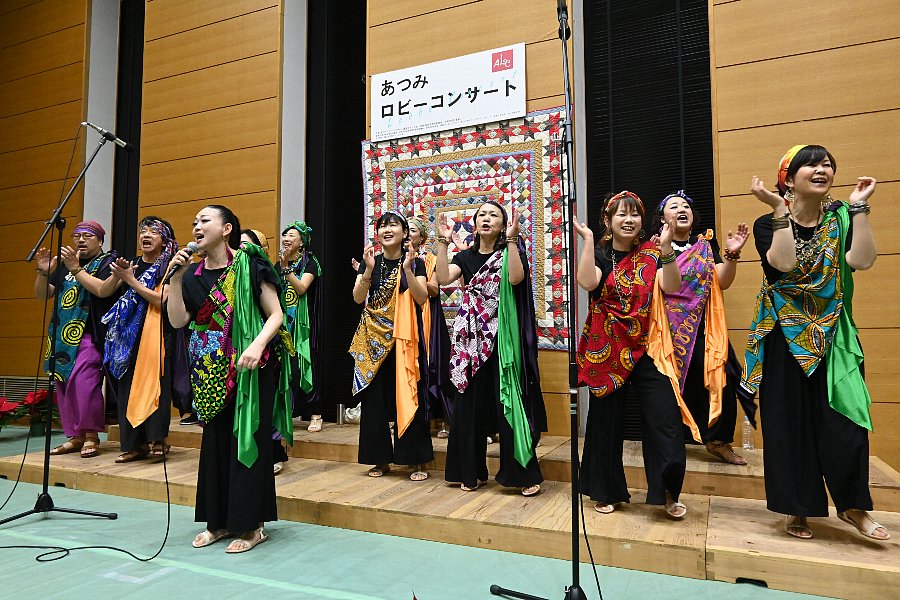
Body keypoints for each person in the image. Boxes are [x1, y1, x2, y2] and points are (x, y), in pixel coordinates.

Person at [740, 145, 889, 541]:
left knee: (846, 423)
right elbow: (783, 264)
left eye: (827, 164)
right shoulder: (766, 222)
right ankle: (798, 507)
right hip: (783, 334)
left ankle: (854, 507)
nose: (822, 169)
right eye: (811, 164)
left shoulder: (841, 217)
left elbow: (862, 261)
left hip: (834, 333)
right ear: (788, 179)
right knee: (788, 425)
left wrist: (859, 208)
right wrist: (779, 210)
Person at [168, 205, 293, 553]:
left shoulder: (250, 265)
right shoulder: (191, 276)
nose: (197, 226)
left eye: (205, 220)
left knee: (247, 440)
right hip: (210, 372)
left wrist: (256, 344)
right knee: (216, 445)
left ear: (226, 229)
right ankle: (218, 522)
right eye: (194, 222)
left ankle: (252, 526)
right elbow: (178, 321)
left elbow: (276, 314)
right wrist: (175, 278)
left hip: (250, 367)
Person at [575, 191, 690, 518]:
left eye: (635, 214)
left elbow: (672, 286)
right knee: (606, 423)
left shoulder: (653, 252)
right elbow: (587, 282)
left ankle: (667, 492)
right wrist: (587, 241)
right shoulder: (600, 253)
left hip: (649, 345)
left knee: (665, 419)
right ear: (608, 220)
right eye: (621, 214)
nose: (629, 220)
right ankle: (606, 490)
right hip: (608, 347)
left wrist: (666, 249)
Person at [436, 200, 546, 496]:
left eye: (493, 215)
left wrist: (512, 240)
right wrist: (442, 243)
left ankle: (520, 474)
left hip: (501, 340)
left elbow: (515, 278)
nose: (486, 218)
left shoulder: (510, 251)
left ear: (503, 224)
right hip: (470, 340)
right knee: (468, 406)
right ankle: (471, 472)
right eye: (482, 214)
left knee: (507, 402)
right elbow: (443, 278)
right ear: (475, 223)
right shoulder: (465, 257)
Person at [651, 191, 752, 465]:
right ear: (662, 218)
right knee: (670, 386)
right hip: (668, 330)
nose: (682, 209)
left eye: (686, 206)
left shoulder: (705, 245)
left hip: (706, 326)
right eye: (674, 206)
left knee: (725, 377)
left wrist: (732, 255)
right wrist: (665, 247)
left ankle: (718, 441)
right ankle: (671, 443)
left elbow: (722, 281)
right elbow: (664, 285)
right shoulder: (653, 248)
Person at [349, 211, 433, 481]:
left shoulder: (415, 262)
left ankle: (415, 458)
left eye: (393, 225)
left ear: (404, 232)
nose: (387, 230)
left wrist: (407, 269)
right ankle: (379, 458)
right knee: (374, 401)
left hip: (404, 339)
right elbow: (358, 298)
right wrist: (367, 270)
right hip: (372, 340)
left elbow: (421, 298)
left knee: (407, 393)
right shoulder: (370, 262)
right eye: (382, 226)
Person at [34, 220, 118, 458]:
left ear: (100, 241)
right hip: (62, 336)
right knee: (64, 385)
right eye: (76, 235)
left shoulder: (106, 262)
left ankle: (91, 434)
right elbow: (42, 294)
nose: (81, 240)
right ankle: (75, 436)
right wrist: (43, 272)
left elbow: (101, 289)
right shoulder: (65, 264)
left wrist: (75, 269)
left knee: (85, 384)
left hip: (90, 333)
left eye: (87, 236)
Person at [101, 217, 179, 463]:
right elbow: (105, 291)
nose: (145, 235)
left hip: (157, 333)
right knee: (127, 388)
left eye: (153, 232)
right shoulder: (131, 265)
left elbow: (160, 300)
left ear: (164, 240)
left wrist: (130, 280)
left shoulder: (170, 267)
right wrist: (120, 275)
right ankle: (133, 444)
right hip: (128, 336)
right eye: (143, 231)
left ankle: (158, 439)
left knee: (155, 385)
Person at [407, 215, 453, 439]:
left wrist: (415, 276)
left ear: (422, 238)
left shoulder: (429, 259)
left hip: (428, 315)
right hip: (405, 316)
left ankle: (444, 418)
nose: (408, 234)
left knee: (435, 365)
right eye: (405, 229)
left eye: (413, 230)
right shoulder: (395, 258)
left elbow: (434, 289)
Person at [276, 221, 324, 433]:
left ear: (302, 242)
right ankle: (286, 412)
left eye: (292, 235)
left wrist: (286, 268)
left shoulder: (310, 263)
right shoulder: (278, 265)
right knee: (285, 370)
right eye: (285, 235)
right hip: (283, 324)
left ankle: (315, 414)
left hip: (304, 326)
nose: (286, 238)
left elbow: (302, 288)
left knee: (306, 367)